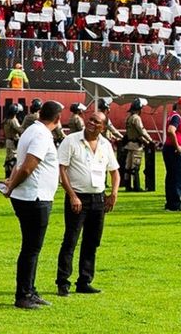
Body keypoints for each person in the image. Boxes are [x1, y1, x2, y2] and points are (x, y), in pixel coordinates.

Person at [1, 99, 63, 309]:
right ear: (57, 118)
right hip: (34, 197)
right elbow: (27, 167)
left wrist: (11, 182)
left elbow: (21, 165)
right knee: (31, 248)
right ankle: (24, 294)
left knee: (31, 248)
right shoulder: (42, 135)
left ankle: (30, 289)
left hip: (31, 195)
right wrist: (11, 187)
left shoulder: (30, 130)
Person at [55, 111, 120, 296]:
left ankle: (84, 280)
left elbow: (114, 172)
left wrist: (113, 193)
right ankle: (63, 281)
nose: (91, 123)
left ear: (103, 127)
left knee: (92, 241)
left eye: (97, 121)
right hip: (78, 198)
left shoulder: (105, 145)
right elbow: (62, 169)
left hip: (98, 198)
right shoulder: (72, 140)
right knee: (71, 240)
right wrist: (72, 195)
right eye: (90, 119)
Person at [162, 98, 181, 211]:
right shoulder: (176, 117)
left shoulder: (173, 115)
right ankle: (175, 203)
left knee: (171, 177)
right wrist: (178, 147)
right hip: (174, 151)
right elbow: (171, 130)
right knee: (177, 177)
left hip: (169, 149)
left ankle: (170, 203)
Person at [122, 99, 152, 192]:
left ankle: (127, 186)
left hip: (129, 144)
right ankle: (136, 186)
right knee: (135, 167)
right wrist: (150, 140)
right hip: (136, 146)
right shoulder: (136, 118)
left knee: (128, 166)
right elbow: (142, 131)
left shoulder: (128, 118)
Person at [3, 104, 24, 179]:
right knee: (13, 159)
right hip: (13, 141)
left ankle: (7, 175)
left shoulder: (6, 120)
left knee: (8, 158)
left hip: (8, 141)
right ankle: (11, 176)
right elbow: (19, 129)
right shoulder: (13, 121)